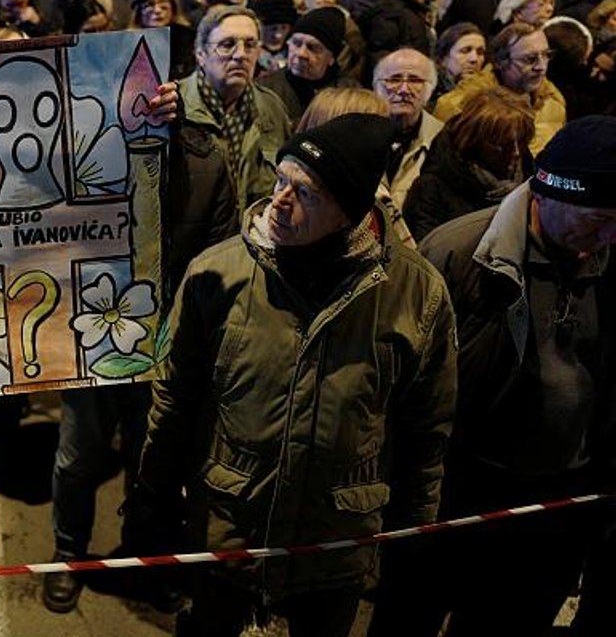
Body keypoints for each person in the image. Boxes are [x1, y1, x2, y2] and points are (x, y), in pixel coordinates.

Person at [128, 111, 457, 637]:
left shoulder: (414, 292)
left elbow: (427, 425)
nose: (279, 200)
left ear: (349, 210)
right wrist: (154, 496)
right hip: (229, 525)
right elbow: (175, 395)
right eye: (281, 179)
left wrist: (413, 529)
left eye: (306, 193)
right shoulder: (218, 272)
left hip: (337, 537)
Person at [372, 116, 616, 637]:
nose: (608, 236)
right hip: (463, 488)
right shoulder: (461, 253)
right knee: (410, 615)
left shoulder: (607, 252)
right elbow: (400, 381)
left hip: (560, 502)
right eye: (598, 219)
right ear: (549, 194)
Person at [178, 4, 290, 222]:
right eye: (227, 45)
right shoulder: (173, 107)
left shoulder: (272, 108)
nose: (240, 55)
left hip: (249, 244)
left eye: (250, 45)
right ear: (201, 54)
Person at [403, 86, 533, 241]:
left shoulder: (530, 177)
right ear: (475, 141)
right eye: (503, 145)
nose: (516, 153)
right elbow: (429, 252)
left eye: (522, 141)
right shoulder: (432, 187)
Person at [435, 23, 567, 156]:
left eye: (546, 55)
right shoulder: (461, 107)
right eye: (530, 59)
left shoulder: (554, 104)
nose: (541, 67)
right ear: (500, 61)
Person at [372, 48, 445, 215]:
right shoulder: (356, 133)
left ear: (430, 90)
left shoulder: (442, 139)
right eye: (394, 79)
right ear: (376, 86)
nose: (404, 89)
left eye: (415, 80)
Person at [258, 6, 356, 126]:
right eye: (296, 43)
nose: (301, 54)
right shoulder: (265, 90)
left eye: (313, 48)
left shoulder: (350, 94)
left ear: (331, 58)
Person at [432, 22, 486, 100]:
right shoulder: (428, 92)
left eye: (480, 52)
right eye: (465, 51)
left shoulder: (485, 95)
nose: (474, 59)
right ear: (443, 57)